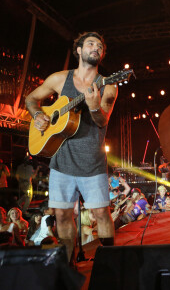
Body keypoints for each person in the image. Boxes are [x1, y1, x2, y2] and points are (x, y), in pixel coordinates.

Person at [25, 32, 118, 261]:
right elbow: (30, 99)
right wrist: (38, 114)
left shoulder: (109, 85)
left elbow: (102, 121)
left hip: (92, 162)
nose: (95, 47)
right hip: (61, 162)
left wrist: (94, 107)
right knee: (63, 216)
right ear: (79, 50)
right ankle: (68, 266)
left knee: (101, 215)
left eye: (99, 46)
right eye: (90, 44)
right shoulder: (59, 79)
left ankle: (110, 264)